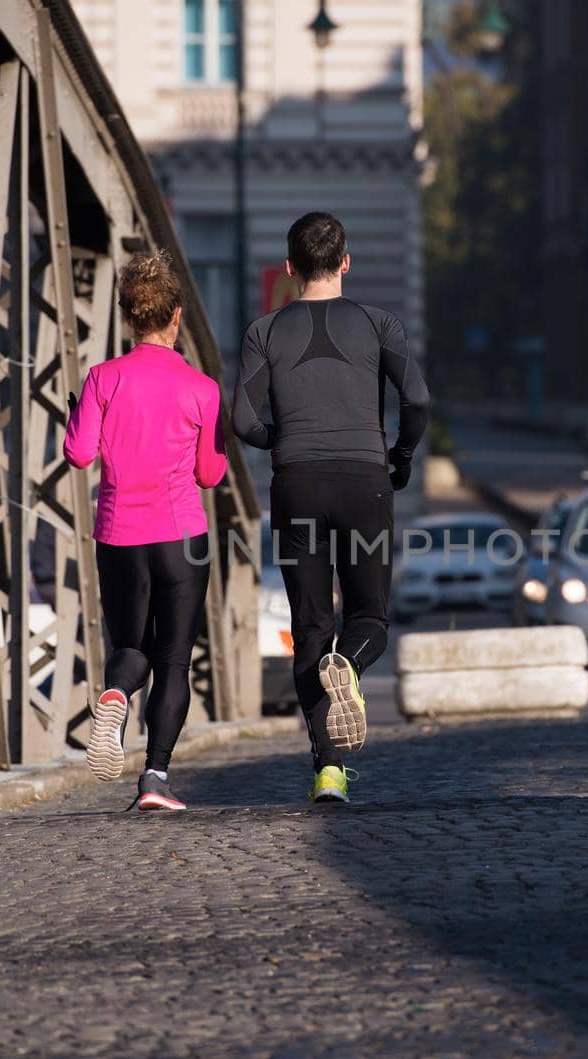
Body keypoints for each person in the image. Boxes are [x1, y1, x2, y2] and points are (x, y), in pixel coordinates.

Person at [233, 212, 430, 803]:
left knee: (310, 627)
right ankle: (350, 664)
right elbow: (416, 398)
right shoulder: (379, 323)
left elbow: (242, 420)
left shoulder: (263, 331)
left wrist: (282, 442)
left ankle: (329, 772)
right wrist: (402, 454)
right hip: (365, 483)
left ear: (290, 269)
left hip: (296, 486)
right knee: (368, 618)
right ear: (346, 261)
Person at [63, 252, 227, 811]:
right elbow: (210, 473)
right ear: (176, 315)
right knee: (175, 659)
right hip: (181, 534)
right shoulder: (202, 388)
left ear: (129, 318)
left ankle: (114, 695)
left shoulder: (102, 379)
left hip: (119, 536)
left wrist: (78, 417)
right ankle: (155, 777)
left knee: (133, 647)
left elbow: (79, 455)